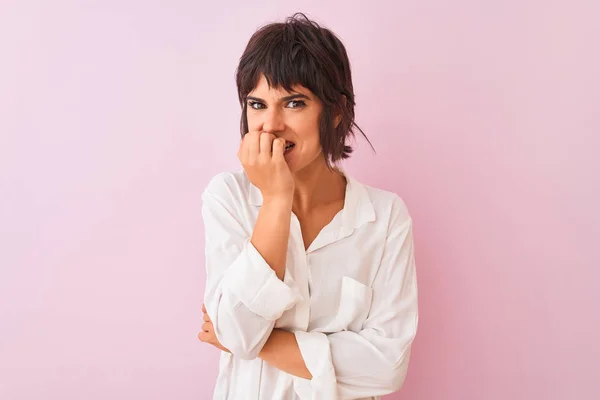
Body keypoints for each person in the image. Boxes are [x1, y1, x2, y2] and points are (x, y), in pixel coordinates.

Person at [198, 12, 418, 400]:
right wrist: (277, 200)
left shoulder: (384, 218)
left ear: (335, 112)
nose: (270, 124)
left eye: (294, 103)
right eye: (257, 104)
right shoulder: (228, 198)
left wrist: (258, 344)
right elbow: (238, 330)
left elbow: (387, 367)